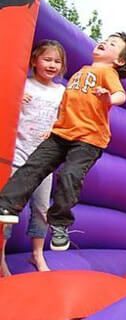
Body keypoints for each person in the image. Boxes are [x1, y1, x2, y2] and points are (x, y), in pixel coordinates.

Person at [0, 32, 126, 251]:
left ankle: (60, 224)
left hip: (88, 138)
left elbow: (121, 95)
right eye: (105, 40)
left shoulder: (107, 71)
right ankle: (6, 206)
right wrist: (53, 127)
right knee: (32, 168)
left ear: (119, 61)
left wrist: (108, 98)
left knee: (69, 175)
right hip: (61, 133)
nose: (104, 42)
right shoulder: (80, 72)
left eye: (112, 44)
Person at [1, 40, 66, 276]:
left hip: (43, 160)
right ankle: (1, 256)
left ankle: (37, 254)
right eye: (47, 59)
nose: (52, 65)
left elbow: (66, 119)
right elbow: (7, 114)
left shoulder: (61, 92)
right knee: (8, 209)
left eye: (57, 61)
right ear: (34, 61)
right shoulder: (24, 86)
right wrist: (17, 103)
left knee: (41, 209)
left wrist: (56, 130)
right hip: (19, 155)